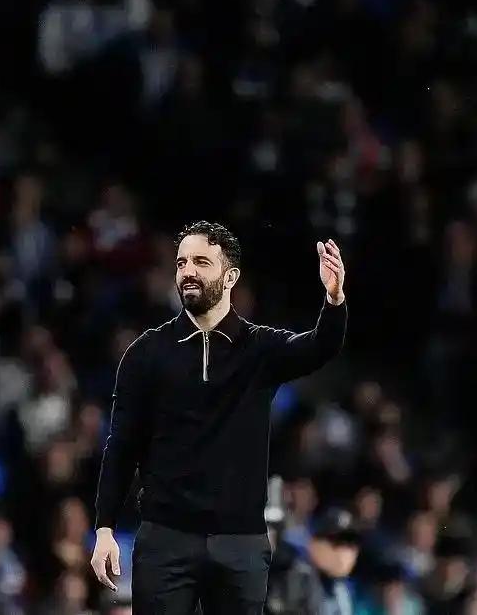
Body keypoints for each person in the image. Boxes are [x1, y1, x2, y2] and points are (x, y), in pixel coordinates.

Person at [90, 221, 348, 614]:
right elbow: (121, 444)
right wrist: (105, 527)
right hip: (166, 539)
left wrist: (334, 299)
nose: (188, 271)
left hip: (240, 543)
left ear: (230, 277)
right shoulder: (145, 353)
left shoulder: (260, 348)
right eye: (181, 263)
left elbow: (320, 347)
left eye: (201, 262)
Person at [264, 507, 361, 615]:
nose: (344, 551)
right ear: (314, 543)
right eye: (336, 541)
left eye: (351, 543)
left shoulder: (341, 590)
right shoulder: (292, 579)